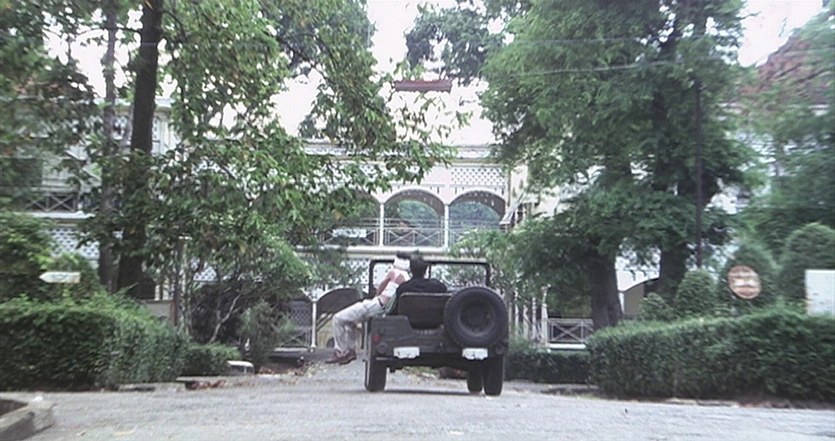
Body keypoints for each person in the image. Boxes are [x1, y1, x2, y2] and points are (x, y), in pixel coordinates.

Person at [325, 252, 412, 365]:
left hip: (376, 304)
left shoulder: (394, 272)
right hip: (383, 309)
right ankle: (350, 351)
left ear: (396, 261)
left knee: (338, 318)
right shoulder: (407, 279)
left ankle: (340, 352)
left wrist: (377, 295)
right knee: (350, 323)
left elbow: (381, 287)